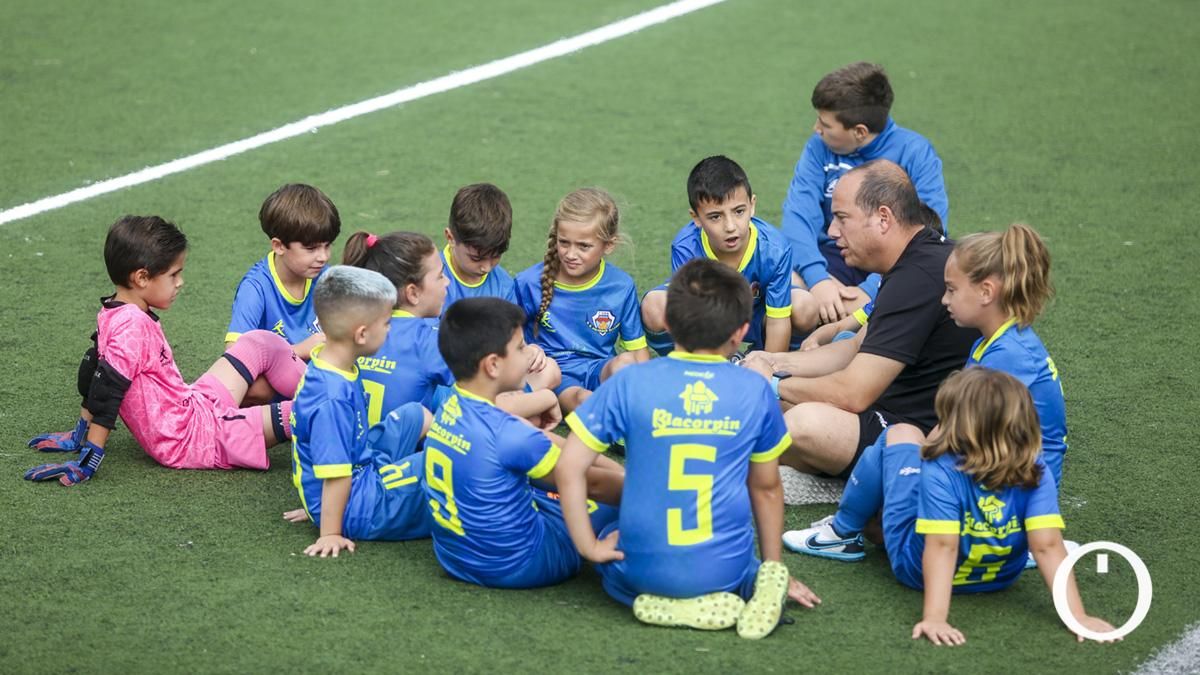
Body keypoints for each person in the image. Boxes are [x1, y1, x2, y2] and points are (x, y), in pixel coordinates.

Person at [556, 259, 821, 639]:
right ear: (742, 332)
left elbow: (569, 468)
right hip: (723, 571)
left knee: (606, 526)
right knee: (734, 545)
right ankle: (756, 584)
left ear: (666, 321)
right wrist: (771, 567)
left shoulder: (631, 381)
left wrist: (588, 546)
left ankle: (649, 598)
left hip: (642, 573)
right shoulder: (755, 390)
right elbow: (765, 488)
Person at [782, 368, 1116, 645]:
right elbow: (1047, 546)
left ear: (961, 428)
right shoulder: (1035, 468)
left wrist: (935, 619)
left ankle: (842, 532)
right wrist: (1078, 616)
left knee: (900, 433)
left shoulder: (940, 469)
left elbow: (942, 547)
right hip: (1001, 575)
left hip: (917, 570)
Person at [25, 216, 304, 485]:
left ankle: (327, 382)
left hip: (194, 406)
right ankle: (339, 399)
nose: (180, 282)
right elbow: (105, 389)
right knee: (310, 410)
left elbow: (92, 368)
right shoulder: (131, 325)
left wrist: (79, 434)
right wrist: (90, 457)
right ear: (142, 278)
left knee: (260, 342)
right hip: (193, 439)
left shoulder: (115, 310)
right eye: (174, 274)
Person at [743, 160, 977, 480]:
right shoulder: (914, 260)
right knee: (771, 407)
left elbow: (853, 393)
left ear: (883, 218)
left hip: (914, 435)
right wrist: (772, 360)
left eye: (841, 218)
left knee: (803, 423)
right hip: (889, 412)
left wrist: (770, 384)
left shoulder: (918, 276)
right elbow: (854, 346)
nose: (831, 232)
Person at [422, 297, 622, 589]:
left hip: (456, 558)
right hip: (525, 563)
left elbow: (529, 435)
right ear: (492, 365)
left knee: (539, 461)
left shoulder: (449, 408)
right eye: (519, 348)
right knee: (622, 500)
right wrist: (638, 487)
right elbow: (589, 484)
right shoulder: (509, 434)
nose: (529, 354)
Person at [781, 62, 949, 324]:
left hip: (892, 263)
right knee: (798, 303)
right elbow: (798, 216)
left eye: (825, 124)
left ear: (859, 131)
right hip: (831, 258)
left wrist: (872, 290)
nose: (817, 129)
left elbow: (931, 229)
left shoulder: (915, 152)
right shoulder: (818, 147)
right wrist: (819, 280)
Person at [343, 230, 561, 429]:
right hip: (404, 454)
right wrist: (546, 398)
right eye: (440, 276)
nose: (447, 282)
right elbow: (482, 404)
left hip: (362, 443)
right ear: (413, 293)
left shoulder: (362, 327)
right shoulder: (426, 339)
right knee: (545, 376)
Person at [288, 266, 433, 557]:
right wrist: (330, 530)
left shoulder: (330, 363)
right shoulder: (332, 398)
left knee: (414, 415)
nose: (391, 328)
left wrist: (315, 497)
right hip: (362, 505)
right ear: (362, 334)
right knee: (440, 466)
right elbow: (337, 475)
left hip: (360, 469)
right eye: (388, 322)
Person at [641, 156, 816, 356]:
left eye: (739, 211)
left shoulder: (775, 249)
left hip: (758, 314)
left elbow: (778, 320)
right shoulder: (686, 247)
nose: (730, 226)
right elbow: (690, 316)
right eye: (716, 216)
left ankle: (755, 356)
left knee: (805, 307)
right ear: (696, 218)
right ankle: (688, 366)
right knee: (654, 306)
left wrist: (769, 369)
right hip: (706, 315)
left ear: (752, 205)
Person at [943, 223, 1067, 485]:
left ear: (986, 292)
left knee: (901, 447)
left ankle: (847, 526)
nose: (944, 299)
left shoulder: (1009, 354)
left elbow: (961, 433)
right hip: (1002, 467)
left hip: (1017, 488)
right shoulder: (992, 343)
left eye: (951, 289)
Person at [514, 188, 649, 413]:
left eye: (583, 246)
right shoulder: (529, 283)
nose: (570, 254)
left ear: (609, 245)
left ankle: (631, 418)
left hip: (600, 368)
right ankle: (616, 427)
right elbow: (507, 340)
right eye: (564, 242)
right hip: (556, 374)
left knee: (625, 364)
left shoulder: (621, 286)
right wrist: (528, 351)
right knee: (582, 398)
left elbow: (638, 352)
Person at [225, 183, 341, 360]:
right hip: (277, 381)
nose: (323, 257)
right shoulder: (256, 287)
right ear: (279, 246)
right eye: (311, 248)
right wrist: (298, 351)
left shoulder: (327, 276)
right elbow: (234, 358)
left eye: (327, 246)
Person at [440, 183, 519, 309]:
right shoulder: (429, 281)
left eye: (496, 256)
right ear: (451, 238)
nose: (487, 268)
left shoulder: (504, 286)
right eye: (476, 258)